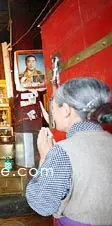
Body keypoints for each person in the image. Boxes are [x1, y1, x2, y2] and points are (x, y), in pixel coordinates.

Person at [26, 77, 112, 226]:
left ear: (65, 110)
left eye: (53, 106)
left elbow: (41, 204)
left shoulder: (63, 151)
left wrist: (45, 158)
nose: (52, 111)